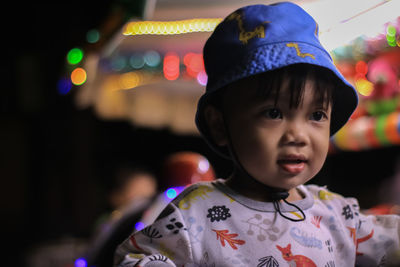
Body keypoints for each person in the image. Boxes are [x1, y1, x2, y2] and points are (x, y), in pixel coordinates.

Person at [114, 2, 400, 266]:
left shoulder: (340, 216)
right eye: (274, 113)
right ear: (220, 125)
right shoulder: (195, 213)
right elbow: (136, 260)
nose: (298, 135)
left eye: (316, 115)